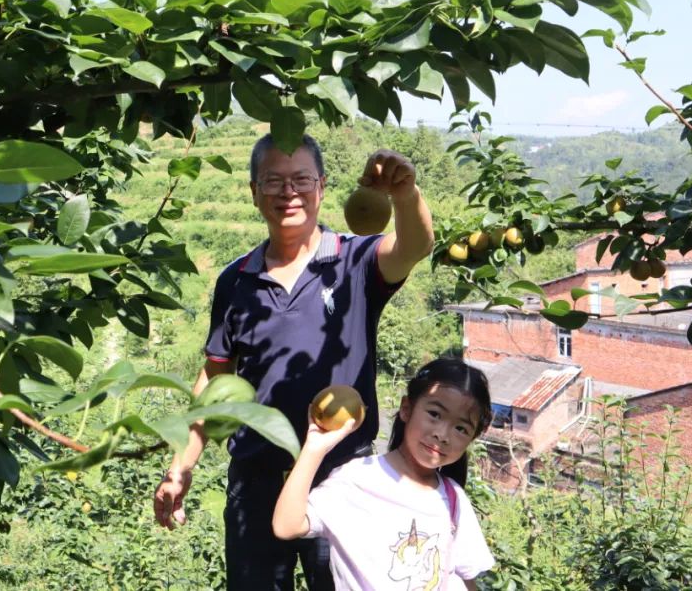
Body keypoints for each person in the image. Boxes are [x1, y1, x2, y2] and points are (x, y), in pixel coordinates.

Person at [152, 132, 434, 590]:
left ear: (321, 187)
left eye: (301, 179)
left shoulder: (355, 261)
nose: (289, 192)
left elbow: (414, 246)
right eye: (274, 181)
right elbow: (215, 378)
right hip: (255, 483)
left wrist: (405, 195)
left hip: (340, 482)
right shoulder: (235, 280)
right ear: (253, 191)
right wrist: (181, 467)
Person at [271, 358, 496, 590]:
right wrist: (314, 449)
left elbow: (467, 579)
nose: (442, 434)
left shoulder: (453, 499)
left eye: (461, 428)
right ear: (406, 409)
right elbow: (287, 526)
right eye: (435, 414)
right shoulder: (356, 479)